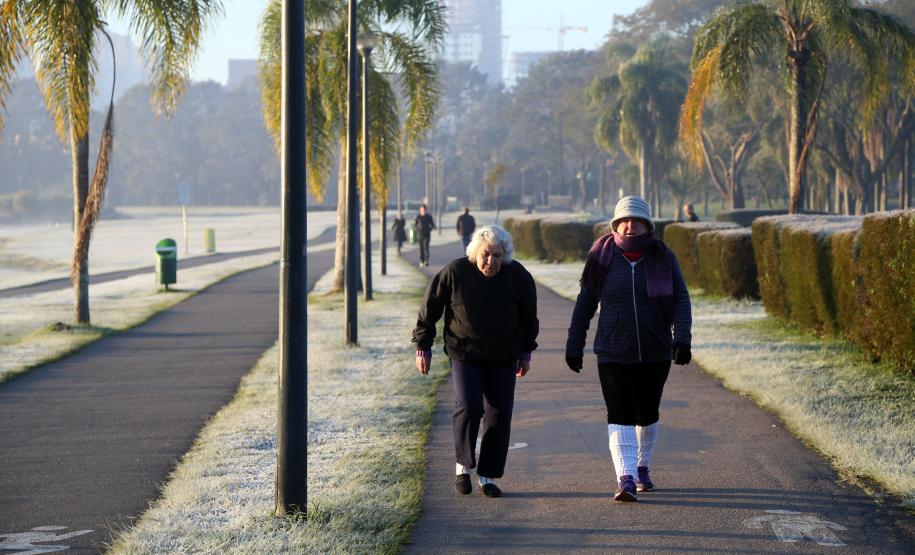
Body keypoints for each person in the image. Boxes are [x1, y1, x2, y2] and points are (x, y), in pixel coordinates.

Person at [565, 195, 692, 502]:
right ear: (616, 225)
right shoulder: (601, 257)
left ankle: (642, 467)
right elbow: (585, 303)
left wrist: (682, 339)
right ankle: (626, 478)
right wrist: (574, 343)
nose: (630, 226)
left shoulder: (663, 256)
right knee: (619, 413)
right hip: (613, 350)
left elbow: (681, 299)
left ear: (647, 225)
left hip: (655, 350)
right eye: (624, 221)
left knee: (647, 412)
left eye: (637, 220)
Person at [413, 225, 539, 498]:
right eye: (485, 254)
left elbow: (529, 317)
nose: (491, 261)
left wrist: (526, 353)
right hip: (464, 352)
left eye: (497, 255)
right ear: (474, 253)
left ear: (505, 255)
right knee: (469, 406)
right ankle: (463, 466)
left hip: (504, 356)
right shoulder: (456, 272)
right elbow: (430, 308)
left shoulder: (517, 275)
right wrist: (423, 346)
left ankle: (488, 475)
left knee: (498, 413)